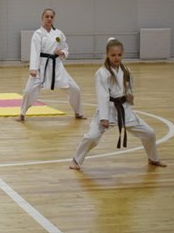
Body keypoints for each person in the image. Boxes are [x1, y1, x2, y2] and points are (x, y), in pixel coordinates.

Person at [69, 38, 167, 170]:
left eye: (119, 55)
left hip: (124, 109)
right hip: (108, 109)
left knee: (149, 133)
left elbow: (129, 87)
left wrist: (129, 96)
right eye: (113, 55)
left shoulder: (126, 70)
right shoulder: (102, 73)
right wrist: (104, 118)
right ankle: (76, 160)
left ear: (122, 54)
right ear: (107, 55)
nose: (116, 58)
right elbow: (102, 95)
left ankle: (153, 158)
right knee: (92, 137)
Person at [17, 8, 84, 122]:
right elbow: (35, 51)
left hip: (56, 66)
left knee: (75, 89)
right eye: (47, 16)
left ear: (54, 19)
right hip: (41, 66)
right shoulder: (38, 34)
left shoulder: (58, 33)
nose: (49, 19)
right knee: (28, 91)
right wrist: (33, 68)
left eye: (51, 17)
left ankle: (78, 112)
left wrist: (62, 52)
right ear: (42, 18)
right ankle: (22, 114)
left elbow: (65, 48)